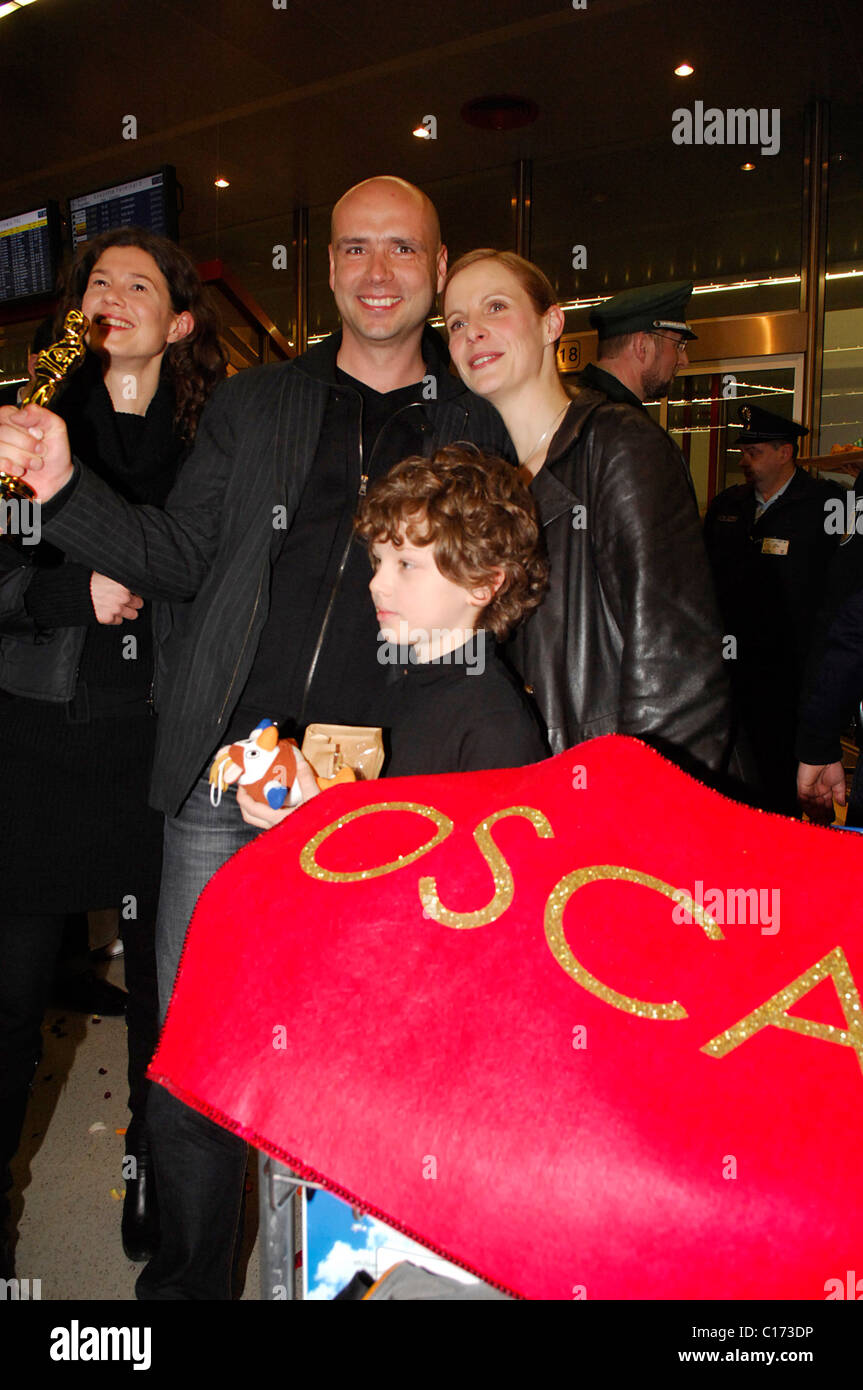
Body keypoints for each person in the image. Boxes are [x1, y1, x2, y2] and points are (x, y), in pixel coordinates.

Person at [0, 176, 510, 1299]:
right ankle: (182, 1286)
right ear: (326, 269)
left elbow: (491, 599)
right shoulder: (256, 404)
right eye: (353, 249)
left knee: (365, 1057)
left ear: (432, 270)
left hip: (386, 789)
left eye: (400, 250)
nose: (376, 271)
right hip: (230, 773)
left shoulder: (471, 426)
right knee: (192, 1052)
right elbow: (177, 556)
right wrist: (64, 483)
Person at [0, 226, 226, 1278]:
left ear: (181, 321)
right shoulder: (27, 427)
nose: (114, 294)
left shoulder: (212, 442)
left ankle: (150, 1170)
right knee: (8, 1003)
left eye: (142, 282)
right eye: (98, 280)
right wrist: (70, 593)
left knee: (162, 1007)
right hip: (36, 747)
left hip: (161, 754)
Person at [442, 250, 731, 778]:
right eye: (457, 322)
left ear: (552, 323)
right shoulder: (495, 477)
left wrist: (638, 810)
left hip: (611, 795)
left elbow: (677, 666)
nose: (473, 333)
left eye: (496, 308)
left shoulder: (618, 445)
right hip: (540, 789)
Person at [704, 405, 844, 815]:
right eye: (743, 454)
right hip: (732, 671)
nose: (745, 462)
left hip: (793, 672)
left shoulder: (825, 506)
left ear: (786, 453)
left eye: (756, 453)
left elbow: (836, 593)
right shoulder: (729, 506)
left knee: (782, 777)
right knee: (732, 778)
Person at [573, 279, 696, 408]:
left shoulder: (576, 409)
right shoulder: (624, 423)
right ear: (642, 346)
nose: (684, 361)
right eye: (678, 346)